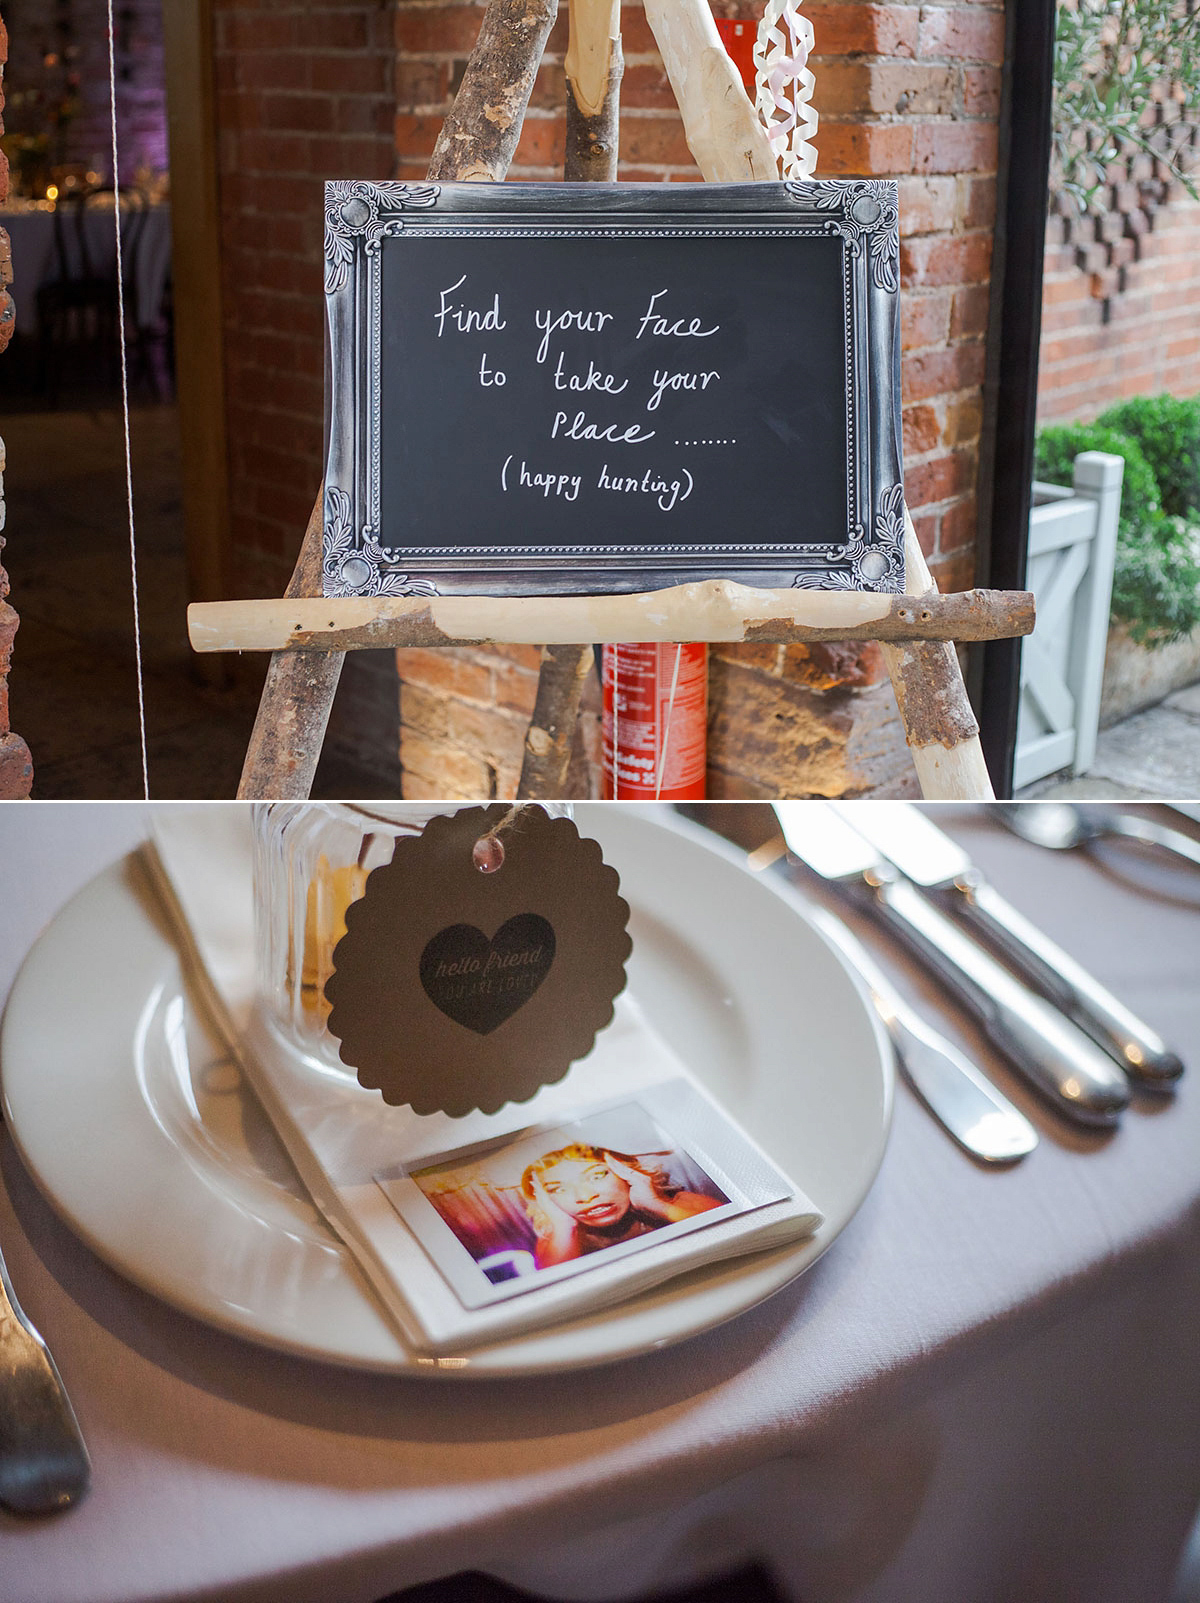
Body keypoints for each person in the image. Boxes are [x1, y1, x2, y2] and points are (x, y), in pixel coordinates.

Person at [520, 1142, 723, 1269]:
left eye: (597, 1176)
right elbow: (556, 1291)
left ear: (625, 1172)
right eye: (558, 1189)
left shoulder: (678, 1202)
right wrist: (564, 1228)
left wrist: (656, 1206)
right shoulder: (556, 1239)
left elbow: (727, 1226)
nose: (585, 1196)